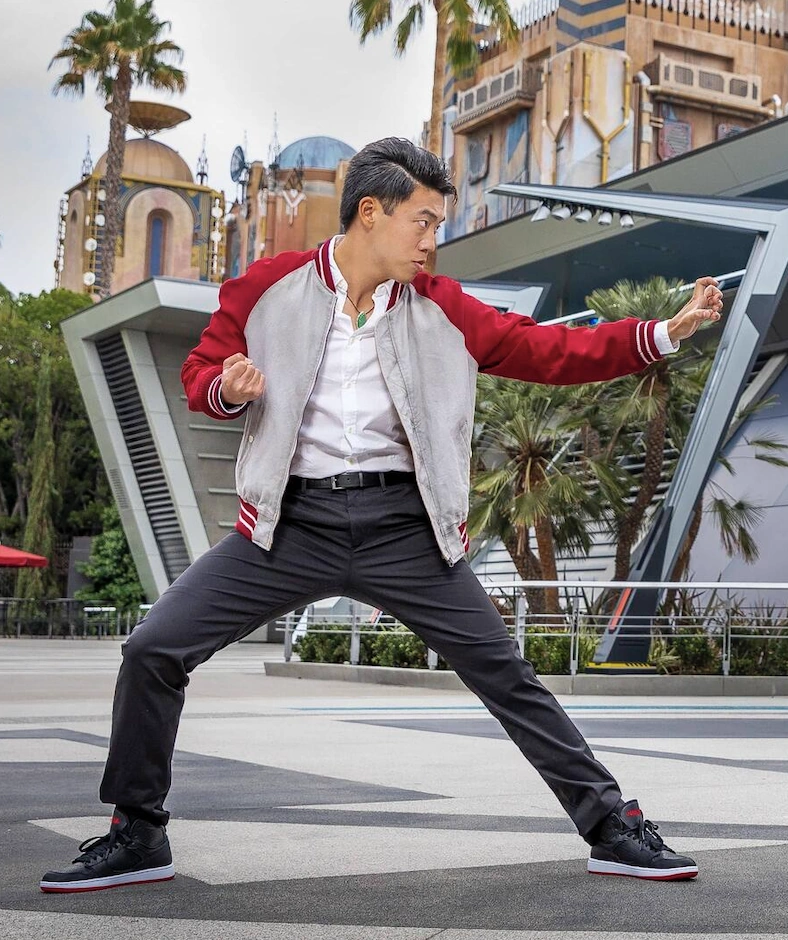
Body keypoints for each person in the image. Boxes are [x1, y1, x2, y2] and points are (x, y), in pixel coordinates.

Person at [40, 137, 723, 893]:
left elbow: (548, 351)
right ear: (371, 212)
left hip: (407, 529)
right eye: (422, 222)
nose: (432, 242)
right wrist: (227, 390)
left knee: (507, 675)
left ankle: (612, 827)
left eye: (437, 226)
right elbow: (201, 374)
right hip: (288, 528)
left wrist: (663, 332)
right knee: (153, 649)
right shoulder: (265, 288)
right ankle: (137, 833)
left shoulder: (443, 306)